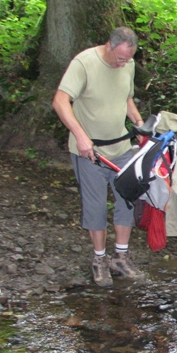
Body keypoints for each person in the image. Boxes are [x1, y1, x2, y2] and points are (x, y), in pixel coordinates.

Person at [52, 26, 146, 287]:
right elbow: (60, 101)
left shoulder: (128, 65)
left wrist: (138, 124)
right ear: (108, 45)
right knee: (95, 207)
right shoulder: (84, 63)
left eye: (127, 59)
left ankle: (121, 257)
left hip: (121, 148)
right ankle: (100, 259)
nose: (122, 63)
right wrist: (80, 135)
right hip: (89, 151)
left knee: (127, 199)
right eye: (119, 58)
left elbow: (126, 98)